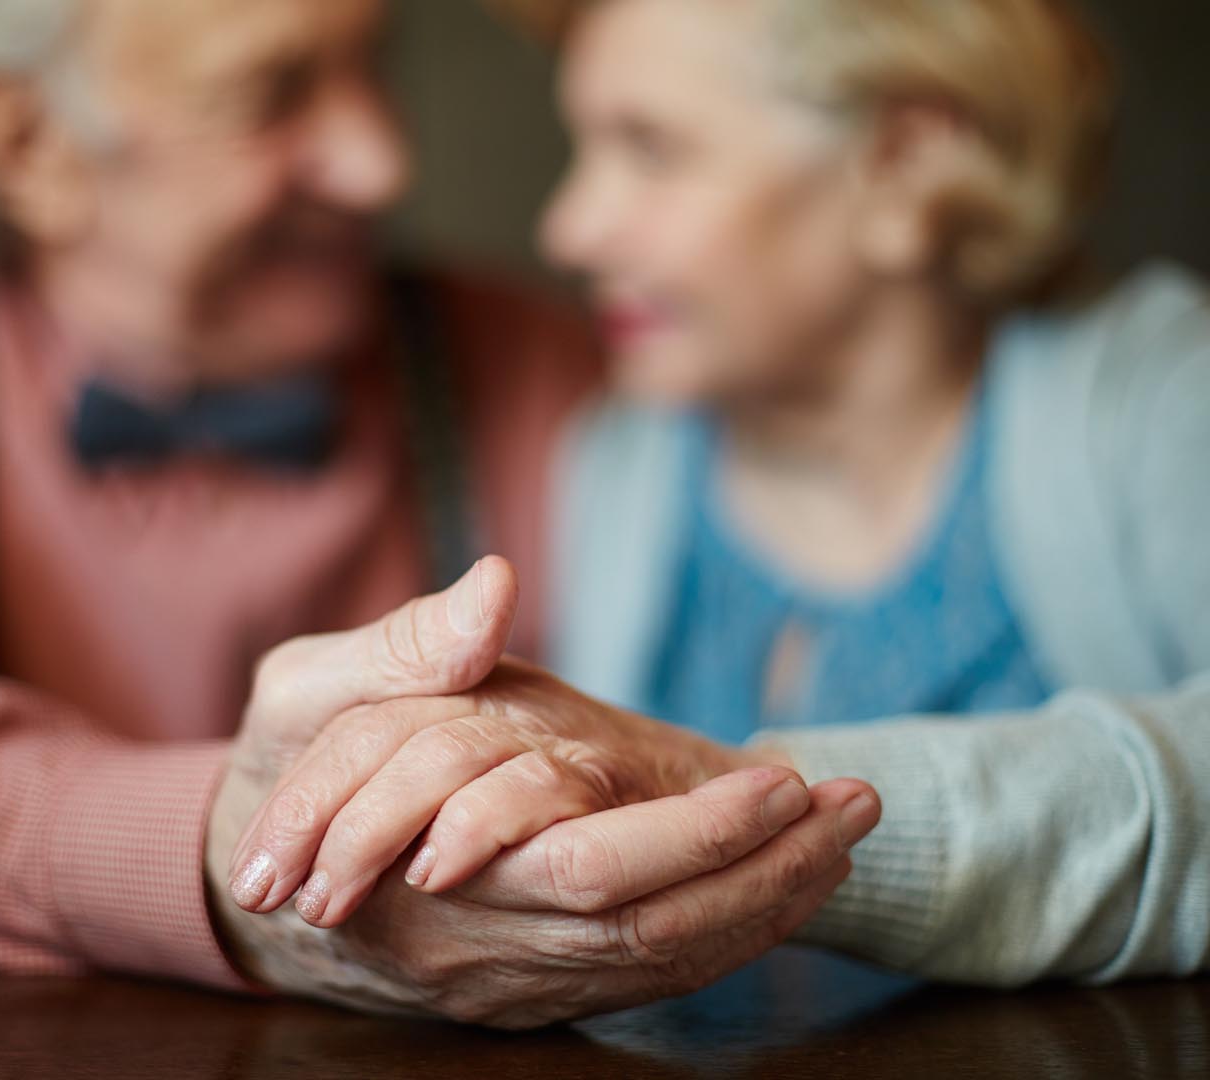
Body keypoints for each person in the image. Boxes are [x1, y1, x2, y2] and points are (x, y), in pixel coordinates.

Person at [0, 0, 882, 1028]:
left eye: (370, 69)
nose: (379, 160)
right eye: (275, 92)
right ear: (26, 145)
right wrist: (200, 849)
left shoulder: (541, 369)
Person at [233, 0, 1210, 990]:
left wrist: (748, 802)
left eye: (650, 148)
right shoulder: (620, 464)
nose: (569, 228)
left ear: (907, 159)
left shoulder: (1161, 399)